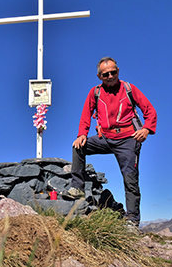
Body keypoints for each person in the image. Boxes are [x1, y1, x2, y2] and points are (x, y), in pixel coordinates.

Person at [64, 57, 157, 226]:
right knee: (78, 146)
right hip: (105, 138)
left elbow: (149, 111)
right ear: (99, 76)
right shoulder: (95, 92)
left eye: (113, 72)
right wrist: (82, 134)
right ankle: (77, 188)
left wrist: (146, 129)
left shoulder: (129, 89)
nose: (110, 76)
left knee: (130, 180)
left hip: (128, 139)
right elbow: (86, 114)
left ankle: (132, 221)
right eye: (105, 74)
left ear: (118, 71)